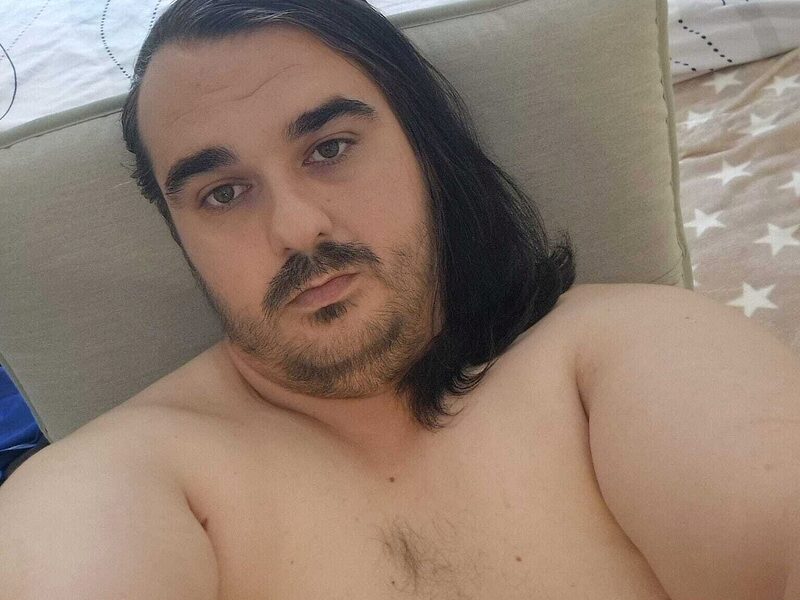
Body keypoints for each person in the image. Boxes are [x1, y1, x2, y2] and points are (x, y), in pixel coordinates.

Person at [1, 1, 799, 599]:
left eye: (330, 147)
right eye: (223, 193)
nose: (296, 228)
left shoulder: (617, 352)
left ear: (427, 150)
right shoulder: (117, 479)